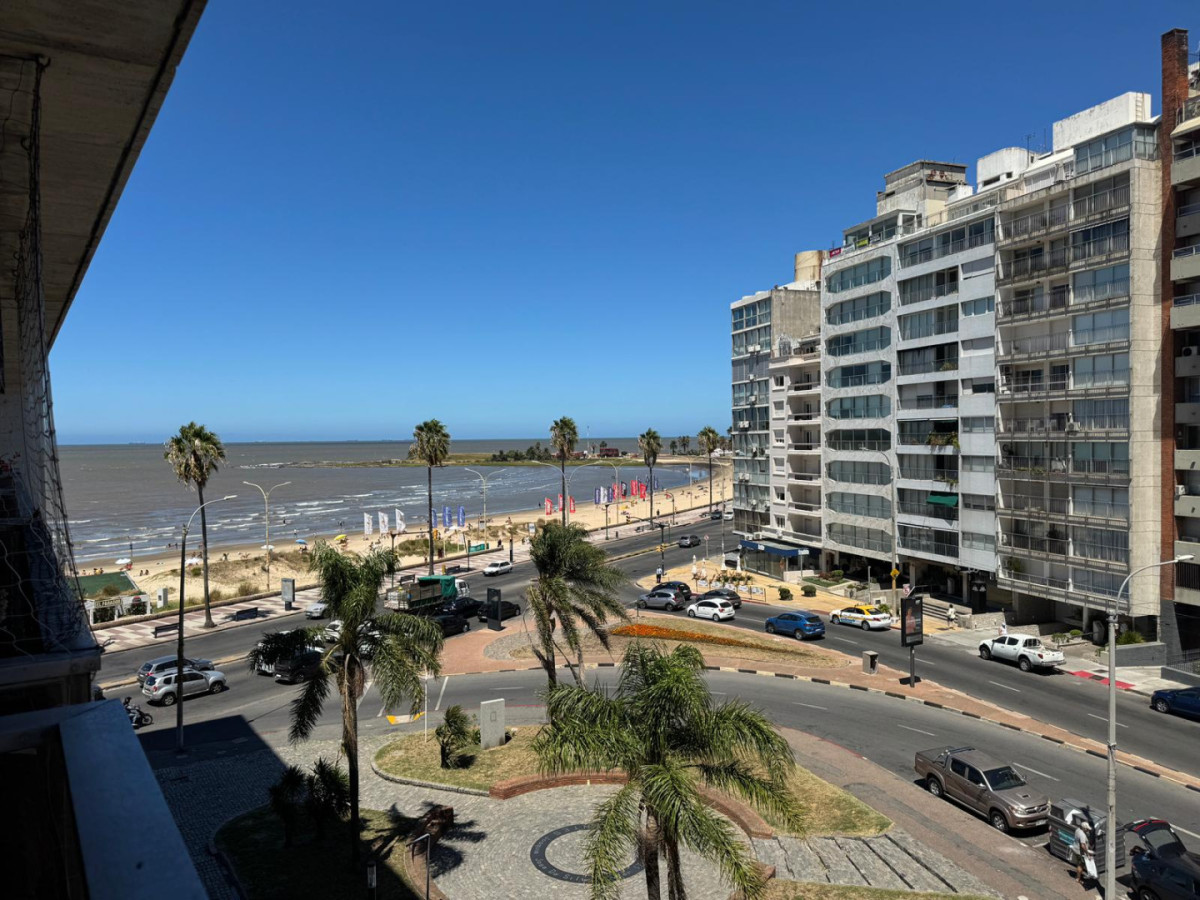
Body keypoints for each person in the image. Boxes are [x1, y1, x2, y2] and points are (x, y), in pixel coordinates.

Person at [1074, 819, 1096, 886]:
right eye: (1087, 829)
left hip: (1076, 849)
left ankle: (1078, 875)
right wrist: (1087, 853)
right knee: (1081, 865)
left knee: (1080, 864)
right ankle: (1078, 878)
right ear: (1083, 828)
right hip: (1080, 852)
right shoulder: (1082, 835)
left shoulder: (1077, 830)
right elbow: (1083, 845)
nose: (1088, 830)